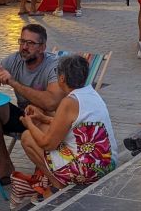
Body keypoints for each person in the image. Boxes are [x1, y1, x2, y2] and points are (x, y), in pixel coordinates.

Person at [0, 24, 64, 190]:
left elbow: (51, 101)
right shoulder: (15, 59)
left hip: (48, 120)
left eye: (31, 43)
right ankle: (5, 167)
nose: (24, 47)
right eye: (22, 41)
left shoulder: (53, 65)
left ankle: (44, 174)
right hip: (23, 116)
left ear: (43, 48)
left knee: (39, 110)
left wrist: (12, 82)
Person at [20, 55, 118, 191]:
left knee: (27, 137)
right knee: (43, 126)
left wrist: (29, 123)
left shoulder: (69, 102)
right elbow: (74, 125)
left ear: (62, 78)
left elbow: (47, 144)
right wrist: (43, 118)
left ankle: (58, 185)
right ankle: (58, 180)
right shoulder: (91, 93)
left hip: (89, 171)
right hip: (108, 162)